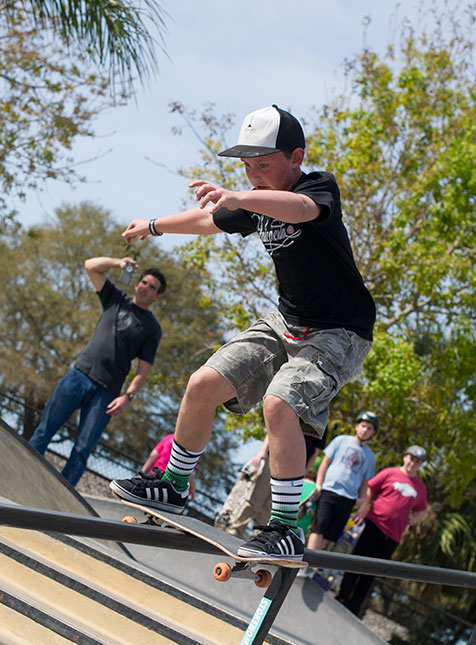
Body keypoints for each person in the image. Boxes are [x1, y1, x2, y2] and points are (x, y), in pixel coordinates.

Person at [109, 104, 375, 562]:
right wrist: (153, 226)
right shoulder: (253, 202)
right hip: (286, 322)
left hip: (340, 333)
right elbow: (204, 220)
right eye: (247, 168)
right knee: (202, 384)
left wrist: (239, 196)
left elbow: (301, 209)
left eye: (263, 166)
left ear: (296, 156)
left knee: (281, 402)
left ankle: (286, 528)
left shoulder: (317, 187)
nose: (253, 177)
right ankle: (173, 486)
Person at [29, 256, 166, 486]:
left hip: (106, 393)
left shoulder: (152, 328)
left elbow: (143, 371)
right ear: (136, 283)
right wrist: (117, 264)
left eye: (152, 287)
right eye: (143, 282)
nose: (145, 288)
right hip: (78, 376)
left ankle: (61, 499)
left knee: (82, 448)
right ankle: (21, 472)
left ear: (157, 296)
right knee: (45, 429)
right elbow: (90, 266)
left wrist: (127, 397)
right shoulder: (115, 299)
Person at [337, 445, 429, 614]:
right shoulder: (390, 473)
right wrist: (364, 506)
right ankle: (342, 596)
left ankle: (354, 607)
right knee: (358, 561)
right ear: (405, 457)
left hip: (393, 535)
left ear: (420, 465)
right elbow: (370, 487)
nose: (413, 463)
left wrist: (414, 519)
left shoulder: (420, 487)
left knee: (372, 572)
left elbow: (423, 508)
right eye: (411, 459)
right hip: (375, 523)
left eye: (417, 462)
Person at [306, 411, 378, 551]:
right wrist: (319, 484)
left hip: (348, 497)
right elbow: (325, 463)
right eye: (363, 426)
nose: (365, 430)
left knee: (330, 534)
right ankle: (306, 562)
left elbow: (365, 481)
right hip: (329, 490)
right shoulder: (341, 440)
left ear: (373, 433)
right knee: (319, 526)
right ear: (357, 426)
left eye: (369, 428)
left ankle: (312, 566)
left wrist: (362, 499)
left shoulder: (370, 456)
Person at [141, 433, 194, 502]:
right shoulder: (191, 448)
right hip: (172, 484)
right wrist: (192, 488)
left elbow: (153, 455)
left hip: (155, 475)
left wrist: (141, 474)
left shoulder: (169, 437)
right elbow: (188, 471)